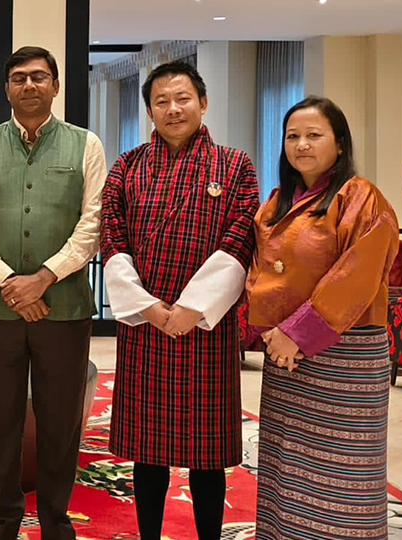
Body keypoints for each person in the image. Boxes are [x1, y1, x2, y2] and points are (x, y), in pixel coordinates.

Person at [101, 61, 259, 540]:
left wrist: (193, 308)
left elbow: (239, 239)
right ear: (149, 110)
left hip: (205, 327)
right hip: (146, 324)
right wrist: (148, 306)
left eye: (183, 98)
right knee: (148, 451)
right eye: (162, 101)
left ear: (203, 103)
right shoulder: (127, 165)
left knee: (207, 454)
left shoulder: (235, 166)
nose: (173, 109)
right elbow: (112, 237)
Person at [0, 46, 105, 540]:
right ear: (7, 89)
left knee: (60, 423)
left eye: (40, 77)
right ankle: (0, 522)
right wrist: (9, 284)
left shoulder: (86, 145)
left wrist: (42, 278)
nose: (29, 86)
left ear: (56, 86)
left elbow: (92, 225)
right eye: (19, 78)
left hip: (64, 308)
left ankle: (56, 521)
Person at [246, 96, 399, 540]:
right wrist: (272, 336)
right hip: (286, 358)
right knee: (286, 462)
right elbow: (261, 268)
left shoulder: (361, 197)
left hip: (344, 355)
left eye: (314, 135)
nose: (302, 145)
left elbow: (358, 274)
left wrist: (298, 334)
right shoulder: (277, 201)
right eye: (293, 136)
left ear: (340, 142)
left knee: (343, 467)